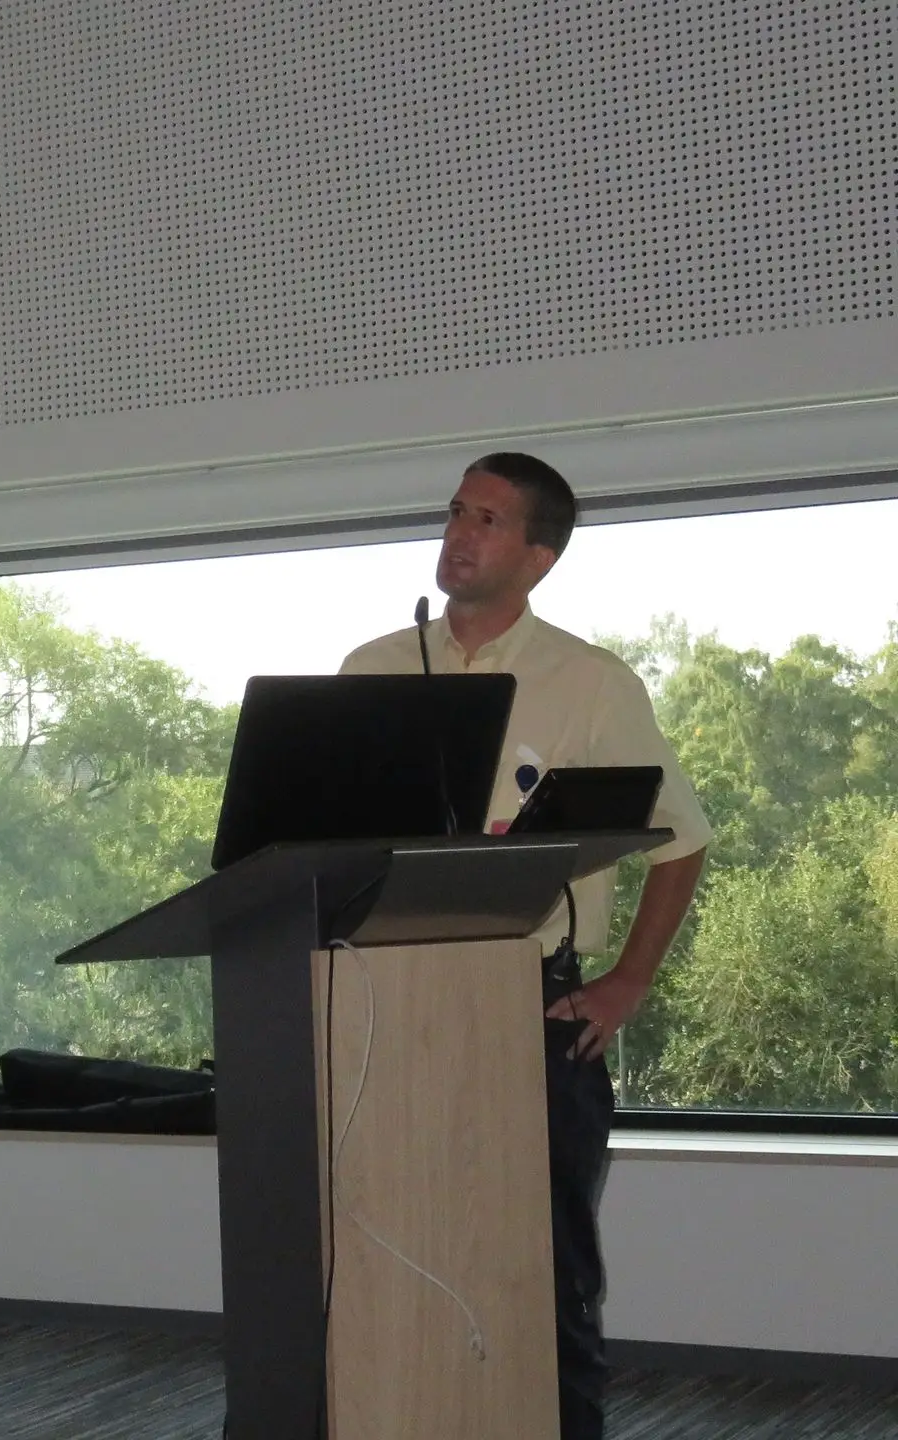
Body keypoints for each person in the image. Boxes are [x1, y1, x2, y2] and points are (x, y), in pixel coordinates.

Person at [339, 452, 711, 1440]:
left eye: (488, 520)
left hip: (531, 1003)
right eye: (456, 511)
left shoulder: (589, 683)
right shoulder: (370, 669)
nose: (458, 533)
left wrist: (629, 981)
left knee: (546, 1271)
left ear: (540, 556)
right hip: (383, 1003)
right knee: (389, 1255)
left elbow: (682, 843)